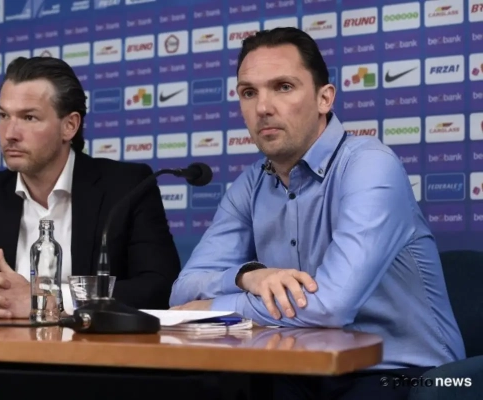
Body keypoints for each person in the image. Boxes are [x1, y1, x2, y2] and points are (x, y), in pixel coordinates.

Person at [169, 27, 465, 399]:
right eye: (249, 92)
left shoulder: (370, 165)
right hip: (303, 369)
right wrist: (247, 277)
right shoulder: (251, 183)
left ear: (325, 98)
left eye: (283, 87)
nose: (263, 107)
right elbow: (183, 289)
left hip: (405, 373)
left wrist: (214, 308)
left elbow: (330, 307)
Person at [0, 56, 181, 319]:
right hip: (0, 342)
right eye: (3, 115)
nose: (10, 133)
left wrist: (48, 300)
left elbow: (159, 287)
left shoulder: (126, 186)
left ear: (69, 126)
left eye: (29, 117)